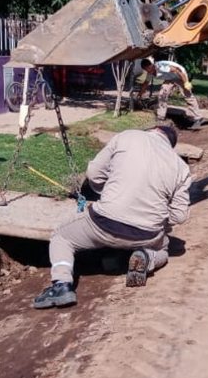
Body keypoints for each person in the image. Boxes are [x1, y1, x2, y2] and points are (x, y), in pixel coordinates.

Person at [34, 125, 192, 309]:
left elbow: (94, 174)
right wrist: (159, 218)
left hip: (103, 224)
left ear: (154, 129)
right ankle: (147, 257)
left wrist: (107, 193)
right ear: (171, 145)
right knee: (163, 249)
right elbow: (179, 216)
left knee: (61, 236)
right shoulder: (180, 166)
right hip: (146, 234)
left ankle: (61, 285)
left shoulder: (127, 136)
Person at [137, 57, 204, 130]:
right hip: (170, 78)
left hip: (180, 75)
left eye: (148, 68)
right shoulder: (150, 73)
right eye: (146, 70)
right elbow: (146, 83)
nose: (148, 71)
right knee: (162, 95)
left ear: (151, 65)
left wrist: (186, 82)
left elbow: (177, 70)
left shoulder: (161, 67)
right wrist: (140, 93)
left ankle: (198, 118)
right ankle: (160, 117)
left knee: (188, 96)